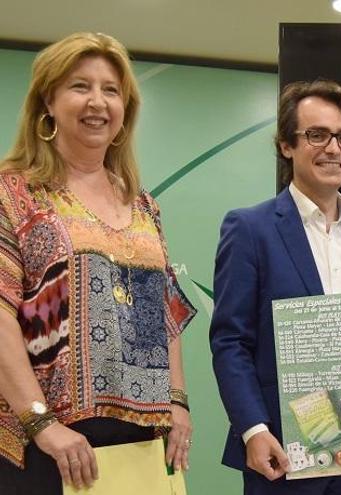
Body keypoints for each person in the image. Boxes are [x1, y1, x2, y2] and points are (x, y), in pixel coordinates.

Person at [0, 33, 196, 494]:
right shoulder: (14, 194)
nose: (97, 102)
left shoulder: (144, 206)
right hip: (50, 449)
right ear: (47, 101)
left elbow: (163, 317)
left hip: (144, 447)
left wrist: (178, 402)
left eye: (111, 90)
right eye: (79, 86)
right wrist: (42, 424)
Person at [209, 79, 341, 495]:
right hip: (283, 452)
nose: (334, 148)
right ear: (286, 146)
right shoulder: (250, 229)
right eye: (317, 135)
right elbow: (230, 342)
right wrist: (253, 430)